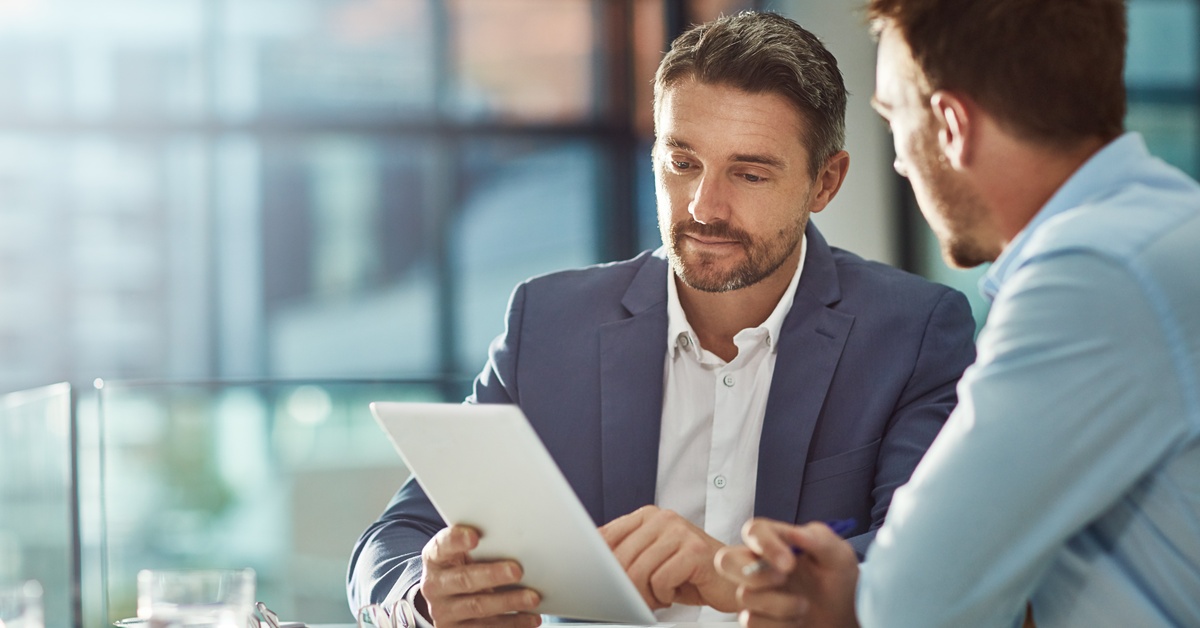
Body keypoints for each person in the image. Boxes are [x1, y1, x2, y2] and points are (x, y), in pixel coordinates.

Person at [348, 11, 977, 626]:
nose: (705, 206)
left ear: (824, 183)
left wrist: (734, 573)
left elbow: (929, 565)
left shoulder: (914, 332)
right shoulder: (549, 323)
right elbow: (393, 542)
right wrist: (426, 598)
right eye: (682, 163)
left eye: (750, 172)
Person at [716, 1, 1200, 627]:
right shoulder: (1167, 225)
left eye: (894, 118)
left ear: (950, 124)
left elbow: (914, 602)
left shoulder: (1091, 272)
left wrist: (854, 597)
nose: (897, 160)